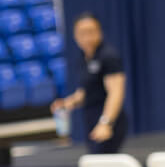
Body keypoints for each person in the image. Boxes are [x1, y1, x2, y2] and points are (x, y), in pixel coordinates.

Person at [51, 12, 128, 154]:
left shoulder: (108, 56)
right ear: (75, 35)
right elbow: (86, 91)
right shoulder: (84, 57)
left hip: (107, 121)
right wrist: (68, 103)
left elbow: (116, 92)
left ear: (99, 31)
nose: (87, 37)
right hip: (90, 119)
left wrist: (106, 123)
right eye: (82, 33)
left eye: (91, 31)